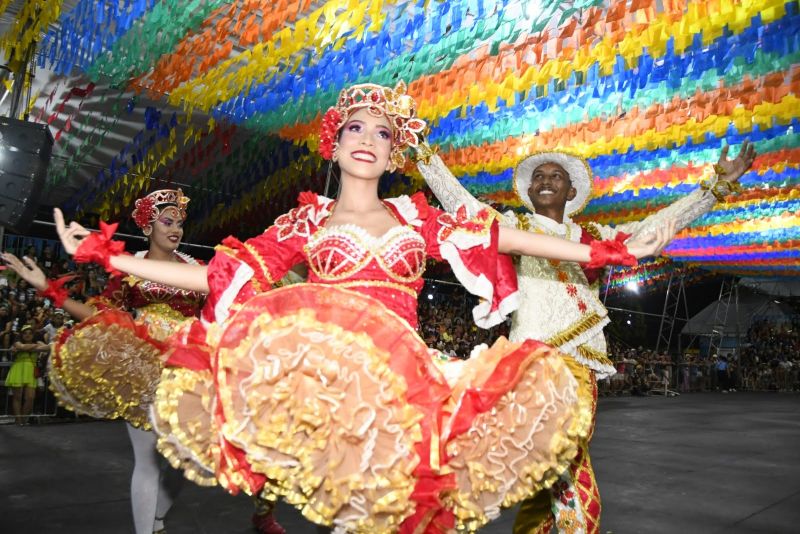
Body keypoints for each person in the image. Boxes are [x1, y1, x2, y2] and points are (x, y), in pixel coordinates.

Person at [50, 82, 674, 534]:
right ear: (336, 141)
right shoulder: (306, 220)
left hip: (407, 393)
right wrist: (110, 258)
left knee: (401, 515)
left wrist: (610, 249)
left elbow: (500, 237)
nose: (369, 139)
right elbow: (218, 273)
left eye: (384, 132)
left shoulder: (415, 216)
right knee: (350, 516)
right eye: (357, 127)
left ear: (394, 152)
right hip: (332, 395)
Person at [416, 139, 756, 532]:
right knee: (557, 464)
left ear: (571, 191)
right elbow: (463, 205)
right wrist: (426, 158)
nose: (545, 181)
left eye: (555, 176)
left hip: (582, 368)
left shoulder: (594, 236)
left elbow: (656, 226)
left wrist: (712, 190)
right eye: (538, 177)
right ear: (527, 191)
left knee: (553, 466)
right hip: (533, 365)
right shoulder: (514, 228)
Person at [2, 189, 284, 534]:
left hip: (188, 370)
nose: (176, 229)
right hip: (143, 369)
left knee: (187, 462)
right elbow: (98, 315)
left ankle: (157, 520)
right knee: (148, 463)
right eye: (167, 222)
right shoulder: (130, 269)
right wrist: (49, 289)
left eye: (180, 223)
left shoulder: (196, 269)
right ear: (148, 227)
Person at [3, 324, 50, 425]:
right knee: (17, 397)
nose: (27, 335)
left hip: (31, 370)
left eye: (30, 333)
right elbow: (22, 346)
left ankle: (23, 419)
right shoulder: (17, 343)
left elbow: (47, 348)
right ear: (22, 335)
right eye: (25, 333)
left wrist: (30, 347)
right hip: (18, 368)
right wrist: (36, 347)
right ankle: (19, 420)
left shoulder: (37, 341)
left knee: (30, 397)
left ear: (33, 335)